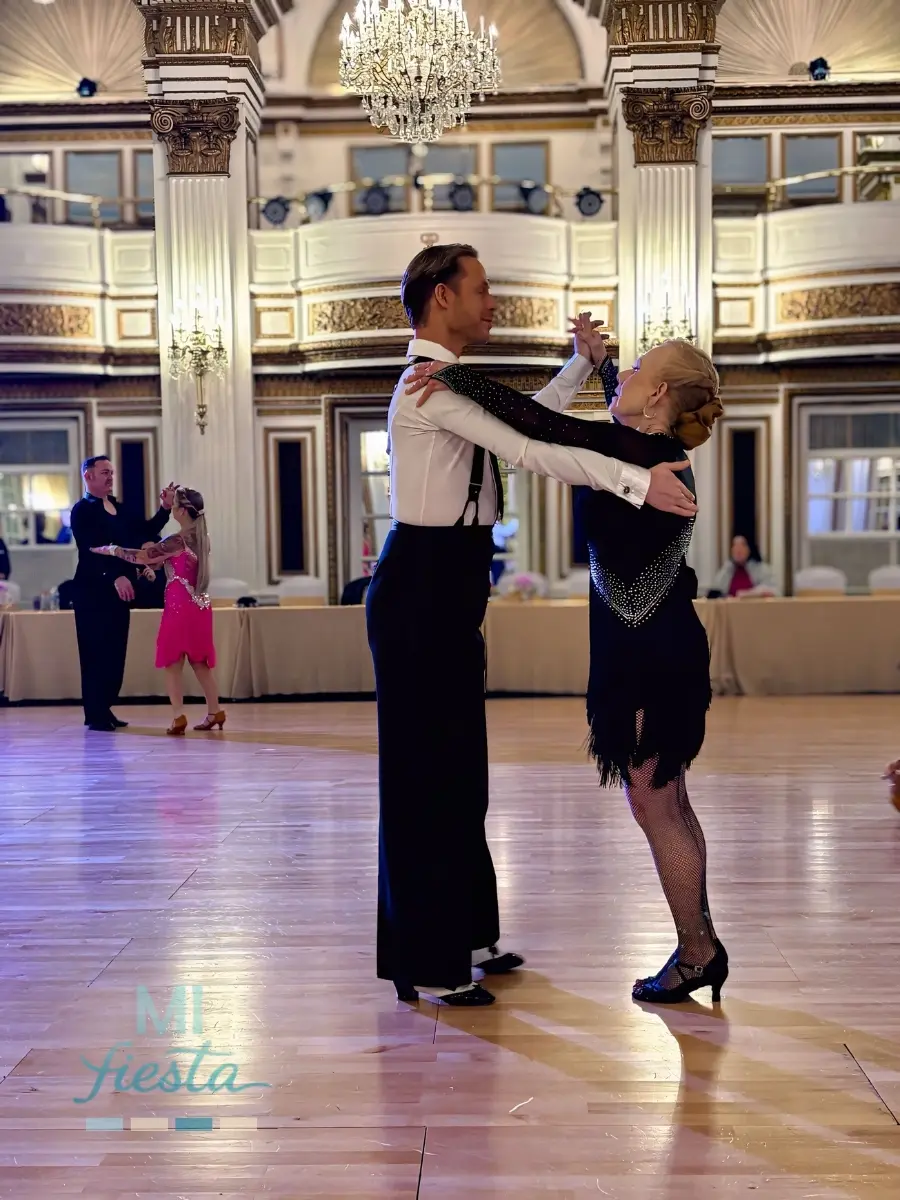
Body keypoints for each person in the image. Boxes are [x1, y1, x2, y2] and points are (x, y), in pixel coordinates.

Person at [369, 242, 698, 1008]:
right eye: (482, 289)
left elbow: (531, 420)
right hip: (421, 582)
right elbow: (528, 447)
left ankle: (471, 934)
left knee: (461, 768)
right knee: (424, 775)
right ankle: (433, 962)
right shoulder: (429, 385)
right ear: (442, 297)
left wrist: (582, 365)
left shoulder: (453, 382)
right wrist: (633, 479)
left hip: (450, 582)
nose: (494, 303)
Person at [91, 487, 224, 737]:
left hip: (179, 605)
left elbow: (141, 556)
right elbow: (174, 565)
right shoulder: (201, 537)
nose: (172, 509)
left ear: (182, 511)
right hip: (201, 605)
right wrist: (154, 569)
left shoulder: (178, 539)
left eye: (174, 506)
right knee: (199, 662)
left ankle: (178, 716)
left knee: (172, 661)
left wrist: (112, 550)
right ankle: (215, 711)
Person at [70, 456, 175, 732]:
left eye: (112, 473)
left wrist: (165, 508)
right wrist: (114, 576)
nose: (110, 477)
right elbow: (89, 549)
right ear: (88, 477)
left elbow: (146, 531)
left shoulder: (117, 507)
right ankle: (95, 713)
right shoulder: (82, 510)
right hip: (93, 592)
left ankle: (104, 707)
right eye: (104, 472)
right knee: (95, 652)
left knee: (115, 652)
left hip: (119, 592)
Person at [709, 534, 777, 598]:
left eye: (742, 545)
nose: (738, 549)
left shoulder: (762, 569)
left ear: (749, 548)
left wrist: (747, 594)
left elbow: (772, 590)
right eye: (735, 545)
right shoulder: (726, 569)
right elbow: (716, 591)